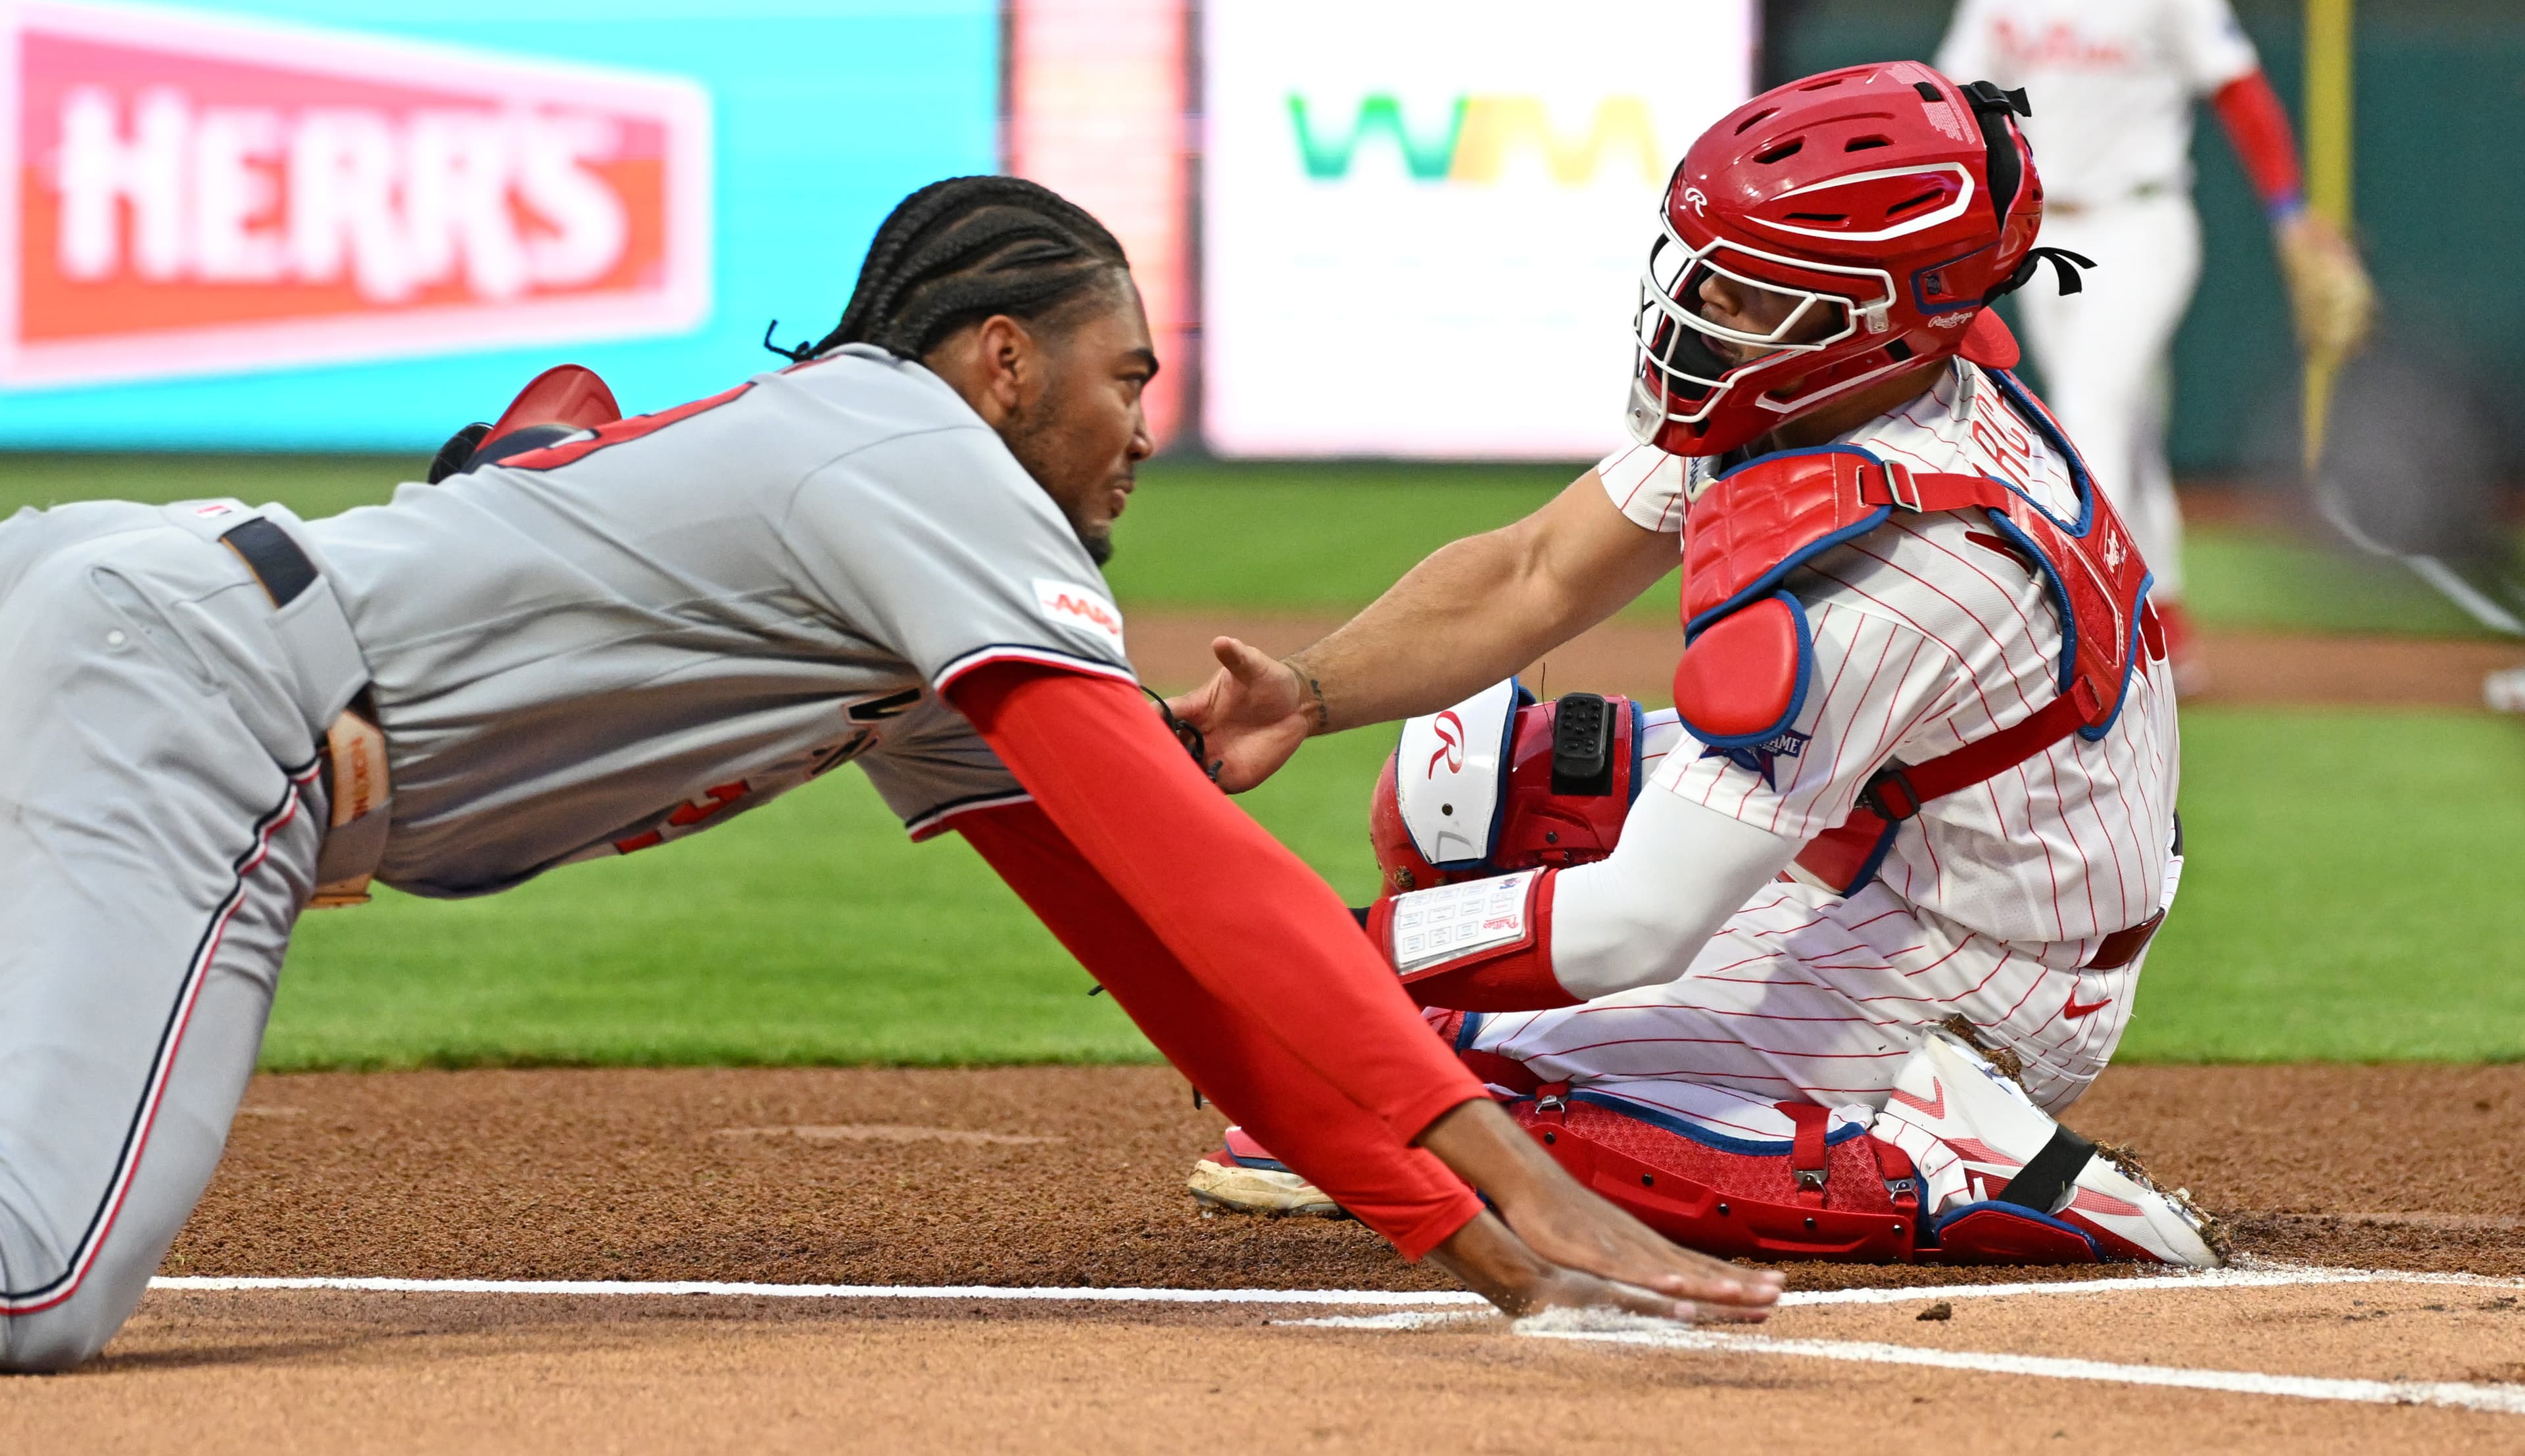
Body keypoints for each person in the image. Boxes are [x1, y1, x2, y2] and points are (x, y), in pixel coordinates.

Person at [0, 176, 1782, 1372]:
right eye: (1122, 375)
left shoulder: (884, 557)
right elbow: (1205, 866)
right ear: (1000, 364)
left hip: (138, 620)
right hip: (203, 699)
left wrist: (1434, 1213)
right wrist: (1518, 1178)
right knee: (45, 1285)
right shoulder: (918, 466)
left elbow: (1156, 940)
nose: (1143, 424)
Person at [1169, 66, 2221, 1269]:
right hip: (1898, 845)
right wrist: (1303, 696)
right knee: (1457, 785)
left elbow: (1636, 923)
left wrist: (1309, 955)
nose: (1699, 302)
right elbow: (1534, 574)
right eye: (1702, 266)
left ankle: (1954, 1151)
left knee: (1449, 1104)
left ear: (1865, 316)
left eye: (1748, 288)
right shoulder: (1837, 399)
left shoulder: (1912, 563)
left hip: (1981, 977)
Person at [1933, 0, 2373, 692]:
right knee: (2124, 429)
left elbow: (2242, 95)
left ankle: (2104, 628)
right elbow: (1952, 102)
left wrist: (2291, 214)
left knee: (2090, 409)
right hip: (2045, 236)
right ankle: (2170, 622)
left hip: (2144, 224)